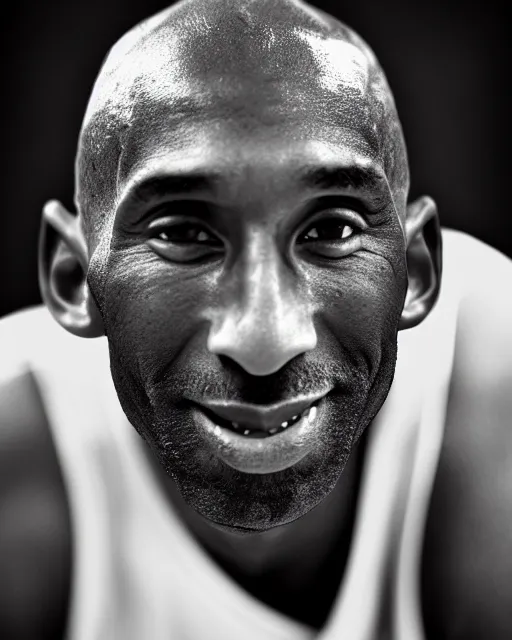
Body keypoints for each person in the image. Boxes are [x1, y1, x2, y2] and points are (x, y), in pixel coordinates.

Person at [0, 0, 511, 638]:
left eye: (332, 229)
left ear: (416, 269)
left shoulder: (495, 390)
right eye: (183, 233)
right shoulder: (18, 458)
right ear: (74, 279)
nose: (266, 340)